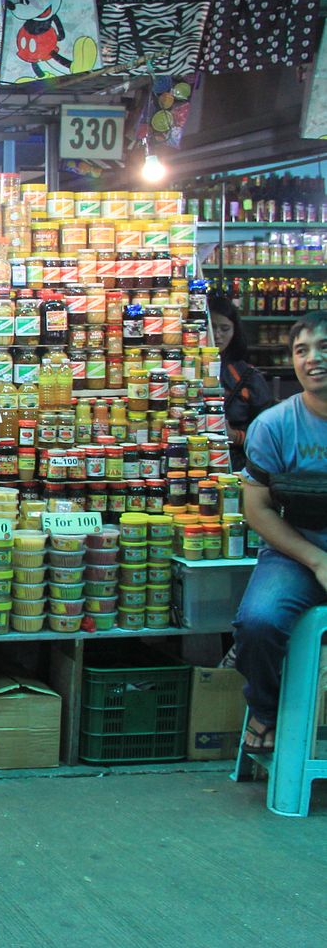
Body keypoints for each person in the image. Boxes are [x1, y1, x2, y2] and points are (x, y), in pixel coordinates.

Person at [235, 311, 327, 754]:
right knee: (258, 622)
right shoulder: (272, 426)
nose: (313, 359)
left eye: (323, 347)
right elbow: (258, 510)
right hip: (296, 551)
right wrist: (317, 559)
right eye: (301, 350)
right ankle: (266, 709)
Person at [208, 293, 276, 469]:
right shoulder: (181, 368)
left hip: (236, 465)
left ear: (234, 331)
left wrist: (236, 436)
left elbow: (272, 433)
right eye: (211, 327)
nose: (217, 335)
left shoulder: (247, 376)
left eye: (225, 329)